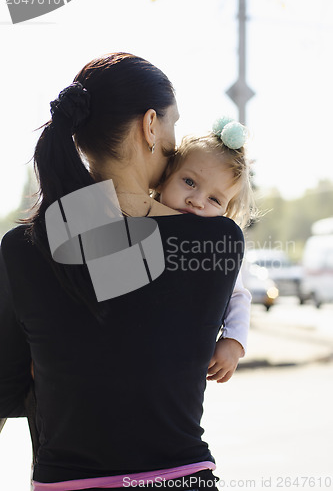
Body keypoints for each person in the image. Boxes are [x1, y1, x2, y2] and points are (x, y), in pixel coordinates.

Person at [0, 53, 245, 491]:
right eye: (172, 124)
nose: (175, 142)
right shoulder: (217, 241)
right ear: (150, 126)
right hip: (177, 479)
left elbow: (7, 386)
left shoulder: (23, 249)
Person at [153, 118, 255, 383]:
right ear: (165, 178)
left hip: (180, 369)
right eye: (189, 182)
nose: (196, 201)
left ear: (226, 210)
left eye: (214, 199)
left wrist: (233, 340)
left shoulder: (216, 245)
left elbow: (238, 295)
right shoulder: (141, 220)